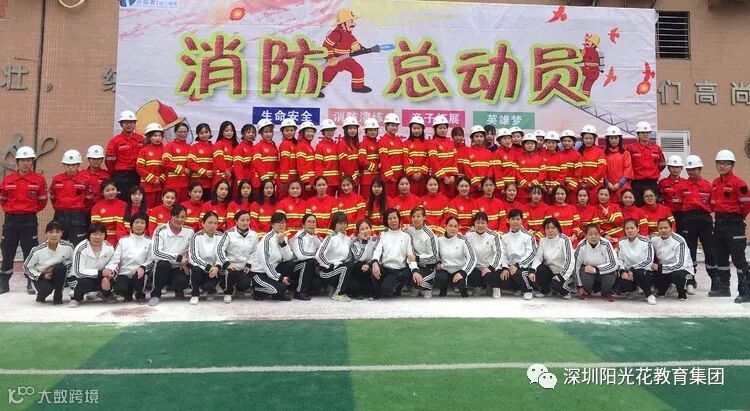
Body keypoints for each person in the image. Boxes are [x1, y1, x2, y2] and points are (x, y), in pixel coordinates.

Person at [0, 146, 48, 294]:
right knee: (7, 251)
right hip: (11, 220)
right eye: (22, 160)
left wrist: (29, 210)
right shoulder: (8, 180)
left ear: (32, 162)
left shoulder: (39, 180)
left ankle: (30, 281)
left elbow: (42, 201)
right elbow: (2, 199)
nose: (25, 163)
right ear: (17, 162)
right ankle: (4, 282)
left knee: (30, 251)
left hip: (29, 220)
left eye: (28, 160)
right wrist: (12, 210)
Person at [710, 149, 750, 303]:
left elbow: (746, 205)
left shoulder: (739, 183)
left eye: (726, 164)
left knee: (739, 258)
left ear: (732, 165)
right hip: (719, 223)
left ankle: (745, 291)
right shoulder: (715, 183)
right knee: (720, 256)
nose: (722, 166)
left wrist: (737, 218)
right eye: (720, 163)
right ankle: (724, 288)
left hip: (734, 224)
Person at [677, 155, 717, 295]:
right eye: (689, 169)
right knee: (690, 251)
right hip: (688, 219)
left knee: (710, 250)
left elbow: (713, 205)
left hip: (704, 219)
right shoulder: (682, 186)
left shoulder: (708, 185)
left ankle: (715, 279)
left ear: (700, 169)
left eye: (694, 169)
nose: (691, 172)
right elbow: (678, 204)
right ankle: (690, 279)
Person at [103, 213, 153, 304]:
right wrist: (109, 269)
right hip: (124, 273)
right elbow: (115, 259)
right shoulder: (123, 240)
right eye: (136, 222)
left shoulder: (150, 241)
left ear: (146, 225)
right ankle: (128, 293)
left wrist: (143, 267)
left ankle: (140, 294)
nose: (139, 225)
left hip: (140, 273)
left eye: (142, 223)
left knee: (139, 278)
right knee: (120, 289)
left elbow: (151, 260)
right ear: (131, 224)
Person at [149, 205, 194, 306]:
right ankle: (156, 294)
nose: (179, 219)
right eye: (176, 216)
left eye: (182, 217)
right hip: (163, 266)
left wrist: (186, 262)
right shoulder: (160, 230)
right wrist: (178, 257)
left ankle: (179, 290)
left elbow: (191, 251)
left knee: (181, 281)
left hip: (179, 266)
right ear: (170, 216)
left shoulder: (190, 231)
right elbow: (156, 252)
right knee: (163, 265)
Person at [370, 208, 418, 298]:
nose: (393, 221)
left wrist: (415, 270)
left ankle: (397, 286)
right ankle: (379, 290)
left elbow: (410, 257)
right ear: (386, 221)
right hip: (384, 268)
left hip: (397, 270)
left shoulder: (406, 236)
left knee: (385, 291)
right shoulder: (383, 234)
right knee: (373, 267)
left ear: (399, 219)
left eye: (395, 218)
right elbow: (377, 250)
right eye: (390, 219)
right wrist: (375, 262)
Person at [23, 221, 74, 305]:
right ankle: (41, 296)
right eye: (51, 232)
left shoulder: (68, 247)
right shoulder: (37, 250)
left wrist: (55, 269)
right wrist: (42, 275)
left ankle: (58, 296)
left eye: (57, 232)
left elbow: (73, 262)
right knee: (46, 289)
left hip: (60, 275)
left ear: (62, 233)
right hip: (42, 276)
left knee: (60, 269)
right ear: (46, 233)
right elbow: (27, 267)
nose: (54, 235)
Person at [250, 212, 296, 301]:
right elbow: (266, 263)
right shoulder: (267, 239)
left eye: (283, 222)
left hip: (272, 272)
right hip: (260, 273)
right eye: (278, 222)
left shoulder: (283, 237)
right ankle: (255, 288)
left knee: (290, 263)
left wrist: (282, 243)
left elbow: (288, 258)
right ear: (272, 224)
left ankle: (277, 289)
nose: (281, 225)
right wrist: (280, 278)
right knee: (280, 289)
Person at [50, 149, 92, 245]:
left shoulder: (85, 179)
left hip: (78, 217)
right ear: (63, 165)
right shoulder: (57, 179)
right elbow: (53, 197)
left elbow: (89, 199)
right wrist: (60, 207)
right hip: (60, 216)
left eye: (73, 165)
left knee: (79, 245)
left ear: (78, 165)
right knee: (58, 245)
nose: (70, 168)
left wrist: (79, 209)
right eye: (67, 165)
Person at [68, 222, 116, 307]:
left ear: (105, 235)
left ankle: (105, 294)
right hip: (80, 278)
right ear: (89, 235)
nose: (98, 237)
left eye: (101, 234)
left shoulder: (110, 248)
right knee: (85, 283)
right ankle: (76, 298)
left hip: (101, 276)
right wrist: (100, 273)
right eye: (94, 234)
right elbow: (79, 272)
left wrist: (108, 277)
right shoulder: (81, 248)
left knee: (111, 281)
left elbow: (113, 264)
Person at [218, 210, 258, 303]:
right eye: (242, 220)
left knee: (245, 284)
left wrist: (249, 264)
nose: (245, 223)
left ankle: (239, 289)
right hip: (230, 266)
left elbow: (255, 252)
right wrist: (227, 263)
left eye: (247, 220)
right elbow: (219, 250)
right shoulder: (228, 233)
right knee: (230, 274)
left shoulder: (253, 234)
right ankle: (228, 292)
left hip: (244, 267)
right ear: (236, 221)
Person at [465, 212, 506, 298]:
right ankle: (477, 286)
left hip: (491, 266)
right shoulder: (468, 235)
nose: (480, 225)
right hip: (476, 266)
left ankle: (494, 287)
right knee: (470, 274)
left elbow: (499, 253)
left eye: (483, 223)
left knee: (490, 276)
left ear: (487, 223)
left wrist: (490, 268)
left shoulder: (494, 236)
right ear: (474, 223)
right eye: (478, 222)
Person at [105, 110, 144, 201]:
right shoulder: (115, 141)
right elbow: (109, 161)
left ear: (135, 124)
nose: (129, 125)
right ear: (121, 124)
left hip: (137, 175)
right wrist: (116, 174)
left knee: (136, 201)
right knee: (122, 201)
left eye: (131, 122)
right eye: (126, 122)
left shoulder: (140, 139)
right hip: (122, 176)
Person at [434, 216, 477, 298]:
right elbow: (435, 254)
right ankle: (443, 289)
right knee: (440, 278)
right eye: (450, 226)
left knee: (462, 286)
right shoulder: (439, 239)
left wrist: (463, 272)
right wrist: (437, 262)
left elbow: (472, 257)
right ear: (445, 227)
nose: (453, 229)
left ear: (458, 228)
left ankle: (462, 288)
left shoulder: (463, 240)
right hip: (445, 269)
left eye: (455, 226)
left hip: (459, 270)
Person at [573, 223, 618, 301]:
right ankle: (586, 292)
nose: (593, 237)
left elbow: (614, 263)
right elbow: (575, 267)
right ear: (586, 236)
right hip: (588, 271)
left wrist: (596, 270)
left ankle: (606, 292)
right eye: (590, 234)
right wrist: (579, 286)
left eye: (596, 234)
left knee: (610, 274)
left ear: (600, 235)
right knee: (585, 275)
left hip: (603, 272)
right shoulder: (581, 246)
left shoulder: (606, 244)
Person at [187, 212, 225, 305]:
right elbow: (193, 257)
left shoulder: (221, 236)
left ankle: (210, 290)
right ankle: (195, 294)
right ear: (203, 223)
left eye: (215, 223)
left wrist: (217, 267)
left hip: (214, 270)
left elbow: (222, 255)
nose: (212, 226)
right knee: (195, 269)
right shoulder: (196, 236)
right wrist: (208, 267)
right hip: (201, 268)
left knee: (209, 287)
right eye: (209, 222)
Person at [616, 219, 656, 305]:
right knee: (622, 285)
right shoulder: (622, 242)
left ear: (638, 229)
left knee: (639, 273)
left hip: (644, 272)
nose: (629, 230)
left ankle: (648, 294)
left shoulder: (646, 241)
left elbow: (649, 260)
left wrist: (633, 269)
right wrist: (622, 271)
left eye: (632, 228)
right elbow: (619, 259)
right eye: (627, 228)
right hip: (628, 273)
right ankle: (633, 289)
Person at [532, 218, 575, 299]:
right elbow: (538, 257)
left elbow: (570, 260)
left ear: (558, 229)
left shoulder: (565, 240)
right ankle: (547, 291)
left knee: (555, 285)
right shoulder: (543, 240)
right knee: (540, 269)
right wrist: (532, 270)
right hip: (551, 271)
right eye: (547, 228)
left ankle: (565, 291)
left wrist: (561, 275)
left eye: (553, 228)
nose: (550, 230)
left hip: (564, 272)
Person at [316, 212, 354, 301]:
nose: (343, 226)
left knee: (354, 287)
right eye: (340, 223)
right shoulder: (330, 238)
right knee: (347, 266)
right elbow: (319, 255)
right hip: (327, 271)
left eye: (344, 223)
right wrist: (330, 265)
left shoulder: (348, 239)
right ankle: (338, 294)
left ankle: (331, 287)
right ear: (334, 224)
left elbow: (348, 257)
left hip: (340, 269)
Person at [651, 218, 692, 301]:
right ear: (657, 229)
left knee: (677, 274)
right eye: (660, 228)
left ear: (671, 228)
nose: (663, 230)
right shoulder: (654, 240)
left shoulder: (679, 241)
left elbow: (681, 264)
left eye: (666, 228)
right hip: (664, 269)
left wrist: (660, 268)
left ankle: (682, 290)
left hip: (682, 270)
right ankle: (664, 288)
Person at [500, 209, 537, 300]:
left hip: (524, 266)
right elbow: (503, 254)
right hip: (510, 267)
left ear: (522, 221)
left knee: (517, 273)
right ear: (508, 221)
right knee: (500, 277)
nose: (515, 221)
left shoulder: (528, 236)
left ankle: (528, 290)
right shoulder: (504, 237)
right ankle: (517, 287)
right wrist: (505, 268)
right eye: (512, 219)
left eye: (517, 219)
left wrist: (518, 265)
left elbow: (532, 253)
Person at [627, 121, 665, 206]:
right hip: (637, 183)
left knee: (652, 206)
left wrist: (653, 172)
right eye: (643, 132)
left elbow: (662, 165)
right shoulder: (631, 148)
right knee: (638, 207)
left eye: (647, 132)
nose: (645, 134)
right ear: (638, 134)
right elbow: (627, 166)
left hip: (652, 183)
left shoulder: (657, 149)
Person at [405, 207, 439, 298]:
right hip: (415, 265)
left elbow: (434, 258)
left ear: (424, 217)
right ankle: (417, 285)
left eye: (418, 216)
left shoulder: (429, 235)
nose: (416, 219)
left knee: (417, 282)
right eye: (413, 216)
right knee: (403, 276)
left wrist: (417, 258)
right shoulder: (410, 230)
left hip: (428, 267)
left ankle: (428, 287)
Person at [289, 213, 320, 300]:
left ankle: (301, 287)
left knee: (317, 284)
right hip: (293, 269)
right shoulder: (299, 237)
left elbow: (321, 250)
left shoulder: (314, 236)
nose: (311, 224)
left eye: (313, 222)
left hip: (307, 268)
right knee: (309, 262)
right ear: (303, 225)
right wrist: (316, 255)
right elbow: (301, 255)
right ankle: (300, 292)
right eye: (309, 222)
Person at [136, 123, 166, 207]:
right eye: (155, 135)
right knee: (147, 208)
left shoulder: (165, 150)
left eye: (160, 135)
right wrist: (153, 179)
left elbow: (167, 167)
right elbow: (139, 168)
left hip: (161, 185)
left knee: (159, 209)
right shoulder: (143, 151)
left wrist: (160, 179)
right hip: (147, 186)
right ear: (149, 137)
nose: (158, 138)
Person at [90, 180, 128, 246]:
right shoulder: (96, 207)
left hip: (123, 238)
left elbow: (128, 225)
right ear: (102, 193)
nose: (111, 192)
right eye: (107, 190)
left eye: (113, 189)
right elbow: (96, 227)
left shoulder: (124, 205)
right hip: (104, 239)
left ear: (117, 190)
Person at [428, 115, 458, 197]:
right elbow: (434, 161)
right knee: (440, 199)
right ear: (435, 129)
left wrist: (453, 175)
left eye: (444, 128)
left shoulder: (451, 143)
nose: (442, 130)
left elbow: (455, 159)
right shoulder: (433, 143)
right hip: (439, 179)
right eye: (440, 128)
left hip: (451, 179)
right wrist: (443, 177)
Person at [378, 113, 408, 197]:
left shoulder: (399, 140)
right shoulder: (383, 141)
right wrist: (389, 176)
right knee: (388, 200)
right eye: (392, 125)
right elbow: (384, 160)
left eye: (396, 126)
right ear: (386, 126)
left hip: (399, 177)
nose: (394, 128)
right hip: (388, 179)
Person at [349, 219, 379, 299]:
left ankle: (371, 290)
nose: (365, 231)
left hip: (370, 264)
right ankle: (357, 291)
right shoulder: (354, 242)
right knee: (358, 265)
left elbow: (378, 255)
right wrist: (364, 242)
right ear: (358, 231)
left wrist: (369, 264)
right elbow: (359, 257)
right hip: (358, 266)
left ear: (370, 228)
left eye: (367, 228)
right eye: (362, 229)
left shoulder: (375, 240)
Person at [162, 122, 192, 202]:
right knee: (171, 205)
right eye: (180, 132)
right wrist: (183, 170)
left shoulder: (190, 147)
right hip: (172, 182)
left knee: (183, 205)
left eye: (185, 132)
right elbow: (165, 162)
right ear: (175, 132)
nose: (183, 134)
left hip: (186, 183)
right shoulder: (170, 146)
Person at [603, 126, 633, 203]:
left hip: (623, 188)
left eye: (616, 138)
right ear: (608, 139)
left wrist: (619, 184)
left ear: (620, 139)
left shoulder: (625, 153)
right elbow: (602, 170)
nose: (614, 140)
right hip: (608, 188)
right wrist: (608, 183)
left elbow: (628, 170)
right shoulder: (603, 154)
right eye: (611, 138)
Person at [578, 125, 606, 204]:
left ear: (594, 139)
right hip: (582, 187)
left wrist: (589, 183)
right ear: (582, 139)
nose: (588, 140)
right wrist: (581, 184)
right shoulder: (579, 152)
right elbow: (577, 170)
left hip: (596, 186)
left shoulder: (599, 152)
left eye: (590, 138)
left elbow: (602, 170)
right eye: (586, 138)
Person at [187, 123, 215, 200]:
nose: (204, 135)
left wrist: (213, 172)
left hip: (211, 183)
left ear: (210, 132)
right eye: (201, 133)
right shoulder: (194, 147)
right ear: (198, 134)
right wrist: (204, 172)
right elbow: (190, 163)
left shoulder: (215, 147)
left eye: (206, 132)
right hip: (197, 183)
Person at [515, 134, 547, 203]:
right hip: (522, 189)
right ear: (523, 145)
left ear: (535, 145)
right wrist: (525, 184)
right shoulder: (518, 158)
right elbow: (516, 173)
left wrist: (533, 183)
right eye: (527, 144)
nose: (530, 145)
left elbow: (543, 174)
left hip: (536, 189)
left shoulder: (540, 159)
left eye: (532, 144)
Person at [463, 125, 493, 197]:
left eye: (481, 136)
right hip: (472, 188)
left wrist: (485, 183)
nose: (479, 139)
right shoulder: (467, 152)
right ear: (472, 138)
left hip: (486, 188)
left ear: (484, 138)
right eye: (476, 136)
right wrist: (476, 183)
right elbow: (467, 169)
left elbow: (491, 169)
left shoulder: (489, 153)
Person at [404, 115, 429, 196]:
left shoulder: (427, 143)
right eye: (414, 128)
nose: (416, 130)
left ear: (422, 129)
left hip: (423, 177)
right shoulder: (405, 143)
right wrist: (412, 174)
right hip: (410, 178)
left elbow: (428, 159)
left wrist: (421, 173)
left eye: (419, 128)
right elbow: (405, 159)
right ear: (410, 129)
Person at [315, 119, 340, 195]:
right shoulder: (319, 146)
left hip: (337, 181)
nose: (330, 132)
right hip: (326, 182)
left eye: (332, 130)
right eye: (327, 130)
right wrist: (321, 181)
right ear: (323, 132)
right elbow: (318, 165)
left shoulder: (336, 145)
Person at [252, 119, 279, 189]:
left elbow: (277, 164)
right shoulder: (258, 146)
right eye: (266, 132)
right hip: (260, 182)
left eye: (270, 132)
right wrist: (265, 179)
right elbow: (257, 163)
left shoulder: (274, 147)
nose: (268, 134)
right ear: (261, 133)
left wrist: (274, 178)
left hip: (272, 182)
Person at [659, 155, 685, 228]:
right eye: (673, 167)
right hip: (667, 213)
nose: (675, 169)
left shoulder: (685, 183)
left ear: (681, 168)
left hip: (682, 214)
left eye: (677, 167)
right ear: (668, 168)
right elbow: (660, 199)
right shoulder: (662, 183)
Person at [558, 130, 583, 200]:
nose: (566, 143)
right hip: (560, 187)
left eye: (569, 141)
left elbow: (578, 173)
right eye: (564, 141)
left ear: (574, 142)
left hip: (572, 188)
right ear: (561, 142)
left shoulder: (577, 155)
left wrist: (570, 187)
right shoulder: (559, 154)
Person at [360, 118, 381, 200]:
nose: (373, 132)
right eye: (370, 130)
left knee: (377, 201)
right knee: (367, 201)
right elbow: (362, 161)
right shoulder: (363, 144)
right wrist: (376, 167)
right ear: (366, 131)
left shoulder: (379, 143)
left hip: (377, 178)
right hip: (366, 180)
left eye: (375, 130)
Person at [338, 116, 361, 192]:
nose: (353, 130)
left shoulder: (356, 144)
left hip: (356, 179)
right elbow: (344, 162)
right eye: (350, 128)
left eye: (355, 128)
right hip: (346, 179)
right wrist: (353, 177)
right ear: (345, 130)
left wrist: (357, 176)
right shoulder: (342, 143)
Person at [232, 123, 258, 192]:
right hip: (243, 177)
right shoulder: (239, 148)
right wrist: (240, 180)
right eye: (248, 132)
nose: (251, 134)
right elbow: (237, 165)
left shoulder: (255, 147)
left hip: (253, 179)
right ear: (243, 134)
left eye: (253, 132)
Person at [540, 131, 564, 201]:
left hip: (557, 189)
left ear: (557, 143)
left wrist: (553, 187)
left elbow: (562, 174)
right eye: (549, 142)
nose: (551, 145)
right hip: (543, 189)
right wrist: (542, 185)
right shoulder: (541, 156)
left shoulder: (561, 157)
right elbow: (539, 172)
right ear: (546, 143)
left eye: (553, 143)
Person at [213, 121, 237, 187]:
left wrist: (230, 171)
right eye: (226, 131)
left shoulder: (235, 145)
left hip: (231, 176)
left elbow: (236, 162)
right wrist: (227, 174)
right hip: (220, 177)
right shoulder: (218, 144)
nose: (229, 132)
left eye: (231, 131)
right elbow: (219, 161)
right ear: (222, 132)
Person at [295, 121, 316, 198]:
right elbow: (301, 165)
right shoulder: (301, 146)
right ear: (302, 133)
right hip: (306, 183)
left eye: (312, 132)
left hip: (311, 182)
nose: (310, 134)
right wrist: (306, 182)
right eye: (308, 131)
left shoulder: (309, 146)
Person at [277, 118, 298, 198]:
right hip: (287, 179)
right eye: (287, 130)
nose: (289, 132)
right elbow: (284, 163)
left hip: (293, 177)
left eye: (291, 130)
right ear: (282, 132)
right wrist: (284, 181)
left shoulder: (293, 144)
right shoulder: (285, 144)